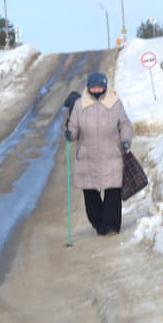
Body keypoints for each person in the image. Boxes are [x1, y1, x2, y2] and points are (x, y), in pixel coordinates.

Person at [64, 72, 133, 236]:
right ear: (88, 87)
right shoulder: (80, 105)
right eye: (93, 86)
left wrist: (125, 140)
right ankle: (99, 223)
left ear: (104, 86)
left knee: (113, 193)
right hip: (87, 158)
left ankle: (112, 226)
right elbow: (73, 126)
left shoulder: (114, 103)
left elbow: (125, 124)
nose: (96, 89)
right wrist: (70, 134)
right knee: (90, 195)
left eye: (99, 86)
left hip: (111, 155)